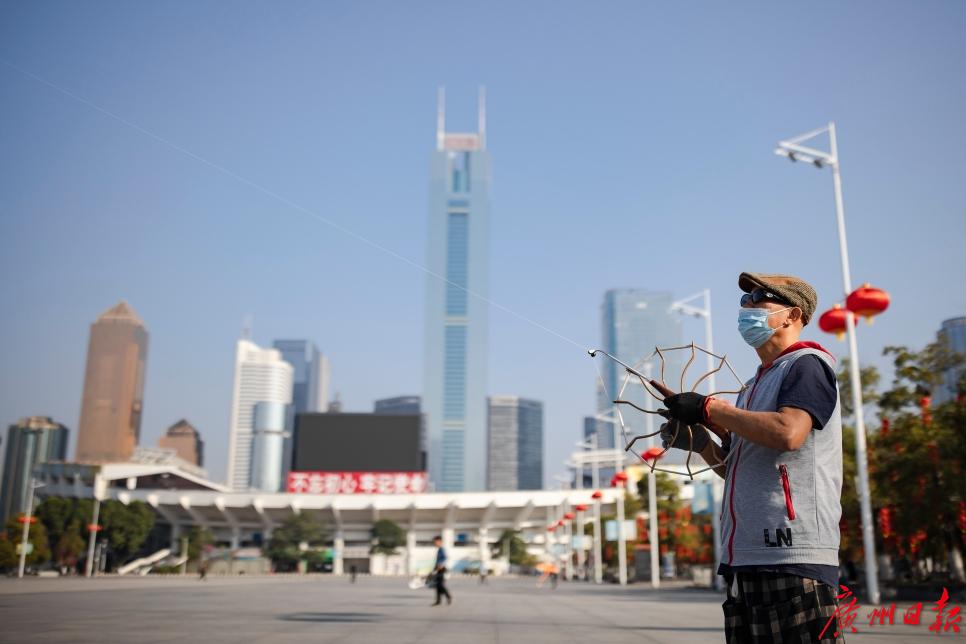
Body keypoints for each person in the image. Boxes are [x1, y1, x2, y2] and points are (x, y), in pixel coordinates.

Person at [660, 272, 843, 643]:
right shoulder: (751, 387)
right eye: (744, 300)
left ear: (792, 315)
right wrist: (703, 445)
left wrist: (709, 408)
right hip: (746, 557)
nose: (747, 307)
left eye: (760, 297)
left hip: (792, 557)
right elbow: (738, 472)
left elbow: (788, 432)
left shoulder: (806, 365)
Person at [430, 535, 451, 606]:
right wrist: (434, 568)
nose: (434, 543)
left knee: (440, 585)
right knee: (437, 585)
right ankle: (438, 601)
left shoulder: (441, 549)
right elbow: (438, 560)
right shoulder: (439, 549)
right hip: (438, 569)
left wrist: (440, 565)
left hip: (441, 569)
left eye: (435, 542)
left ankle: (448, 596)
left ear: (440, 542)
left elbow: (445, 558)